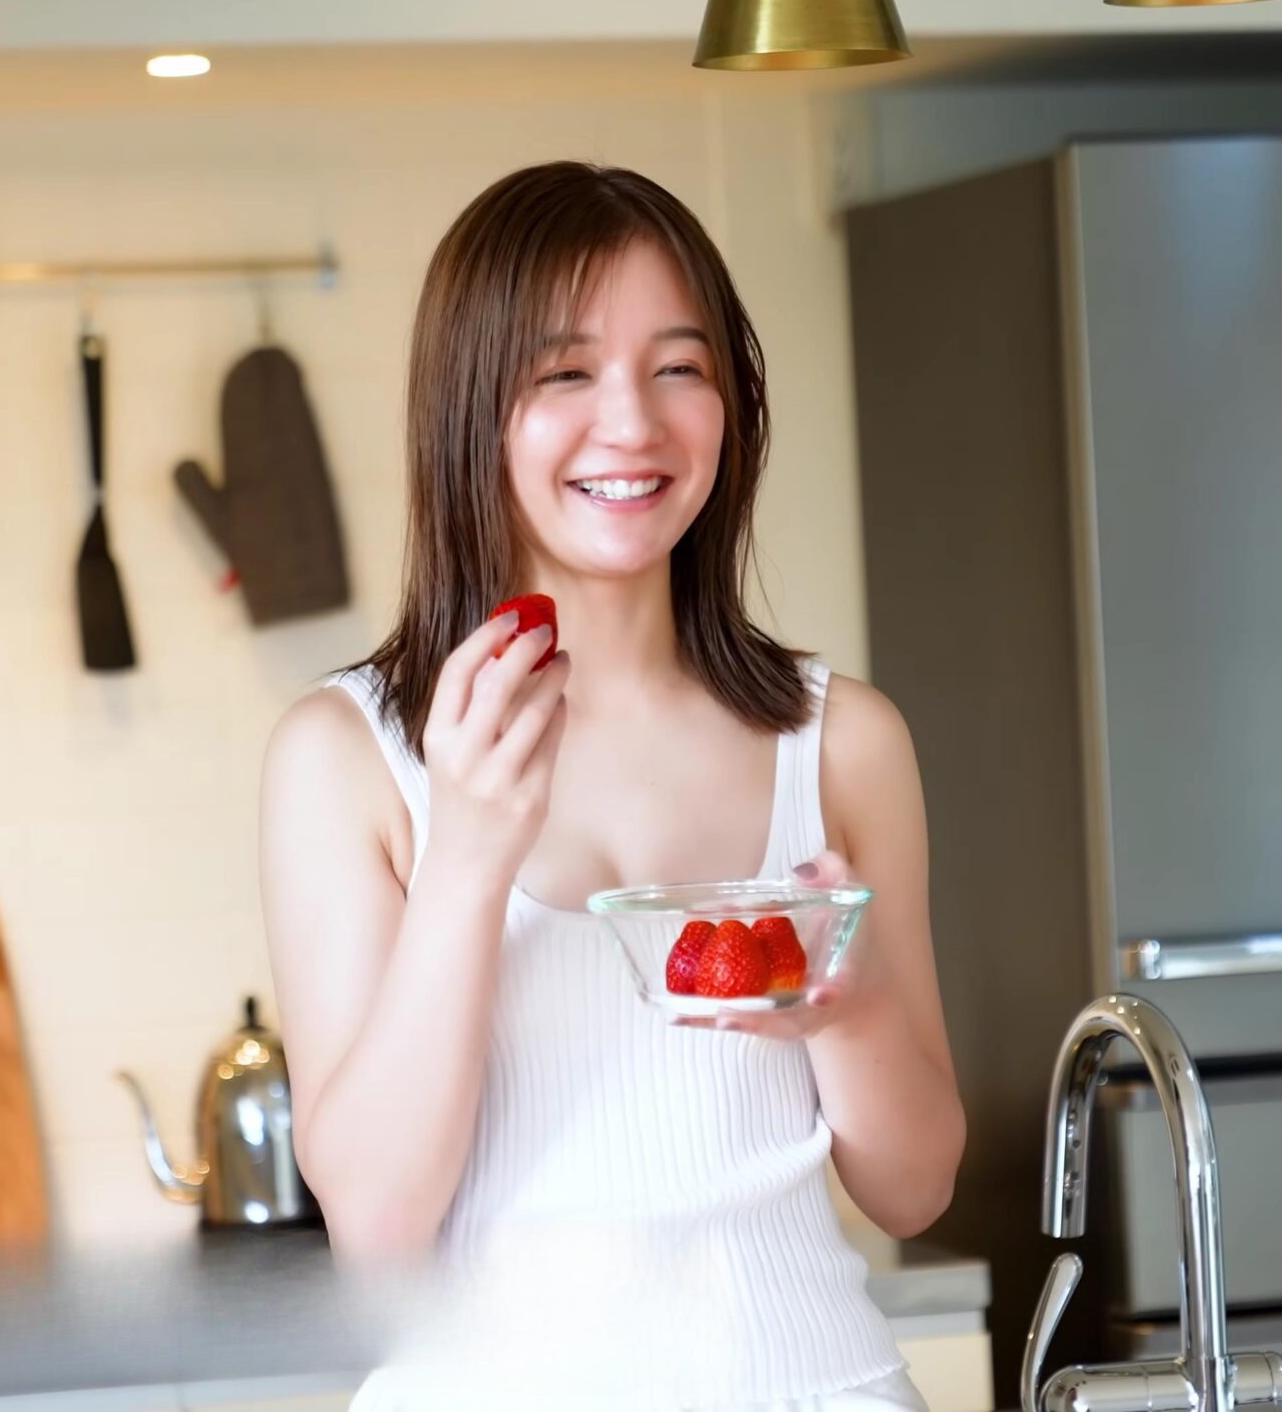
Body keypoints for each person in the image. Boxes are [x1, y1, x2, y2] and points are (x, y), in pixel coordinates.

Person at [259, 161, 966, 1411]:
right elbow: (376, 1233)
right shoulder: (346, 756)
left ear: (731, 406)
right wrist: (466, 857)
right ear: (471, 412)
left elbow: (913, 1190)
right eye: (565, 374)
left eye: (679, 367)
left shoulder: (841, 741)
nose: (632, 424)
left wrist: (849, 1014)